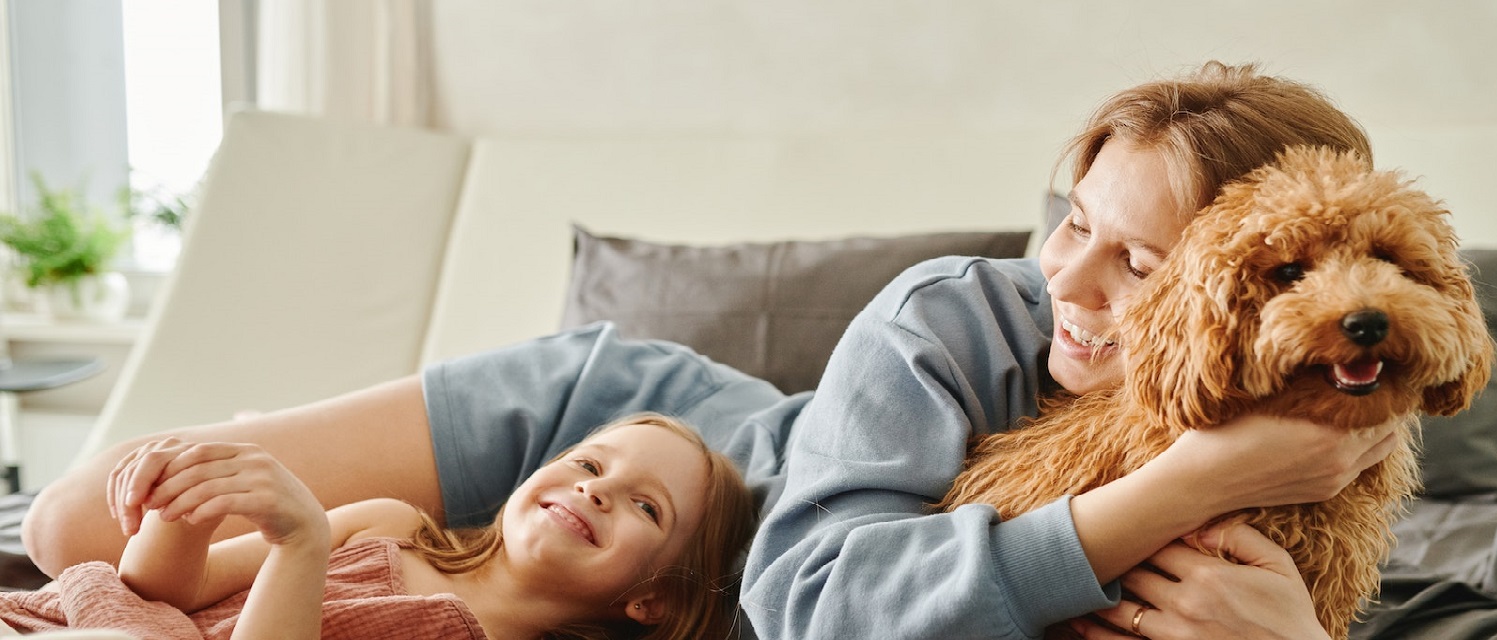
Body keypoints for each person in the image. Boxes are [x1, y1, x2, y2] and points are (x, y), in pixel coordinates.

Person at [25, 61, 1391, 639]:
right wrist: (1178, 490)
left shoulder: (1324, 406)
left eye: (1138, 265)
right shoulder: (954, 316)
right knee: (82, 517)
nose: (1068, 286)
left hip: (659, 546)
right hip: (639, 427)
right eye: (1069, 224)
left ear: (1246, 289)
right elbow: (808, 599)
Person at [4, 415, 755, 640]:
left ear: (653, 600)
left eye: (645, 506)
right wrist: (184, 504)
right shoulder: (391, 527)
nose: (597, 493)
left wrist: (300, 542)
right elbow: (164, 589)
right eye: (590, 465)